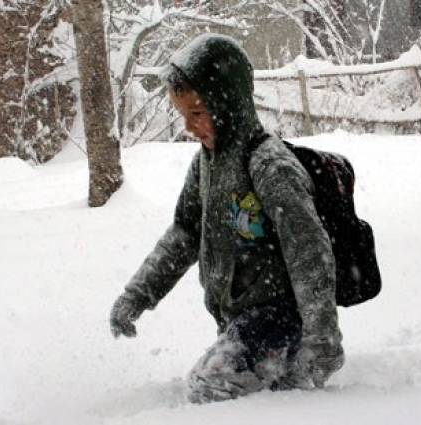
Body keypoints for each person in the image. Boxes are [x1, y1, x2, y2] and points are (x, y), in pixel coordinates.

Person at [108, 33, 343, 403]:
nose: (189, 126)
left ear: (227, 104)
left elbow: (310, 254)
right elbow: (185, 233)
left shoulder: (268, 164)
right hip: (242, 320)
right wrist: (138, 294)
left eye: (197, 113)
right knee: (229, 388)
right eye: (183, 115)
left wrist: (322, 338)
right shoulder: (206, 164)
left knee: (211, 386)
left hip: (281, 319)